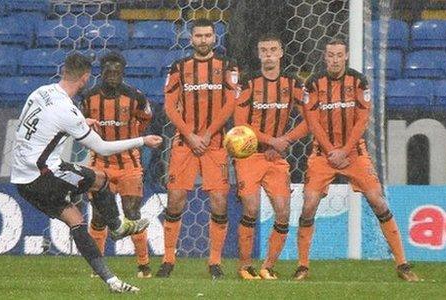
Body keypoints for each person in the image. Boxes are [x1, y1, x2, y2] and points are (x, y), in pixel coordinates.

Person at [10, 52, 162, 293]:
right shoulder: (66, 110)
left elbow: (42, 123)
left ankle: (111, 281)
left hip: (21, 178)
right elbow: (101, 147)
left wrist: (80, 122)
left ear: (63, 71)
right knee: (99, 178)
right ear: (85, 78)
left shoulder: (40, 92)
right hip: (44, 174)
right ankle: (117, 226)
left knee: (75, 220)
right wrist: (142, 140)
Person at [294, 38, 419, 282]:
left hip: (354, 152)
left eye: (339, 55)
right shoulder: (313, 84)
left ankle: (402, 264)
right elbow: (313, 122)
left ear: (347, 55)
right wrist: (332, 150)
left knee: (378, 201)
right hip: (323, 153)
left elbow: (362, 121)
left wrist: (344, 150)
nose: (334, 59)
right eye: (330, 55)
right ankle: (302, 266)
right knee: (309, 204)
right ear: (324, 56)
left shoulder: (359, 82)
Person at [158, 18, 238, 279]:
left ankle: (214, 262)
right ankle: (168, 259)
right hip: (185, 143)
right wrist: (190, 135)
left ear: (215, 37)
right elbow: (169, 106)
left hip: (215, 143)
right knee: (176, 199)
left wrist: (205, 133)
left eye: (207, 35)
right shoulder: (178, 67)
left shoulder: (227, 66)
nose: (203, 40)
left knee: (218, 202)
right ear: (191, 38)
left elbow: (229, 104)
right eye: (198, 36)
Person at [233, 34, 309, 280]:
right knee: (251, 208)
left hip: (276, 158)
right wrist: (271, 140)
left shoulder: (293, 83)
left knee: (283, 211)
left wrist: (284, 141)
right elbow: (240, 124)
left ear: (281, 53)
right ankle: (245, 266)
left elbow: (310, 120)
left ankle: (268, 266)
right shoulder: (248, 83)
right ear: (258, 54)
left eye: (272, 49)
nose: (268, 54)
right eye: (263, 50)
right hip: (249, 155)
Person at [81, 52, 154, 278]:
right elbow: (80, 123)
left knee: (132, 213)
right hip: (99, 164)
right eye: (108, 71)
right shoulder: (88, 97)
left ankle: (143, 265)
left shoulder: (135, 97)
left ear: (123, 71)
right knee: (99, 216)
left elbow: (146, 119)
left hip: (129, 164)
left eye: (117, 71)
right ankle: (98, 267)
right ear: (101, 72)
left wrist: (129, 139)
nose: (113, 75)